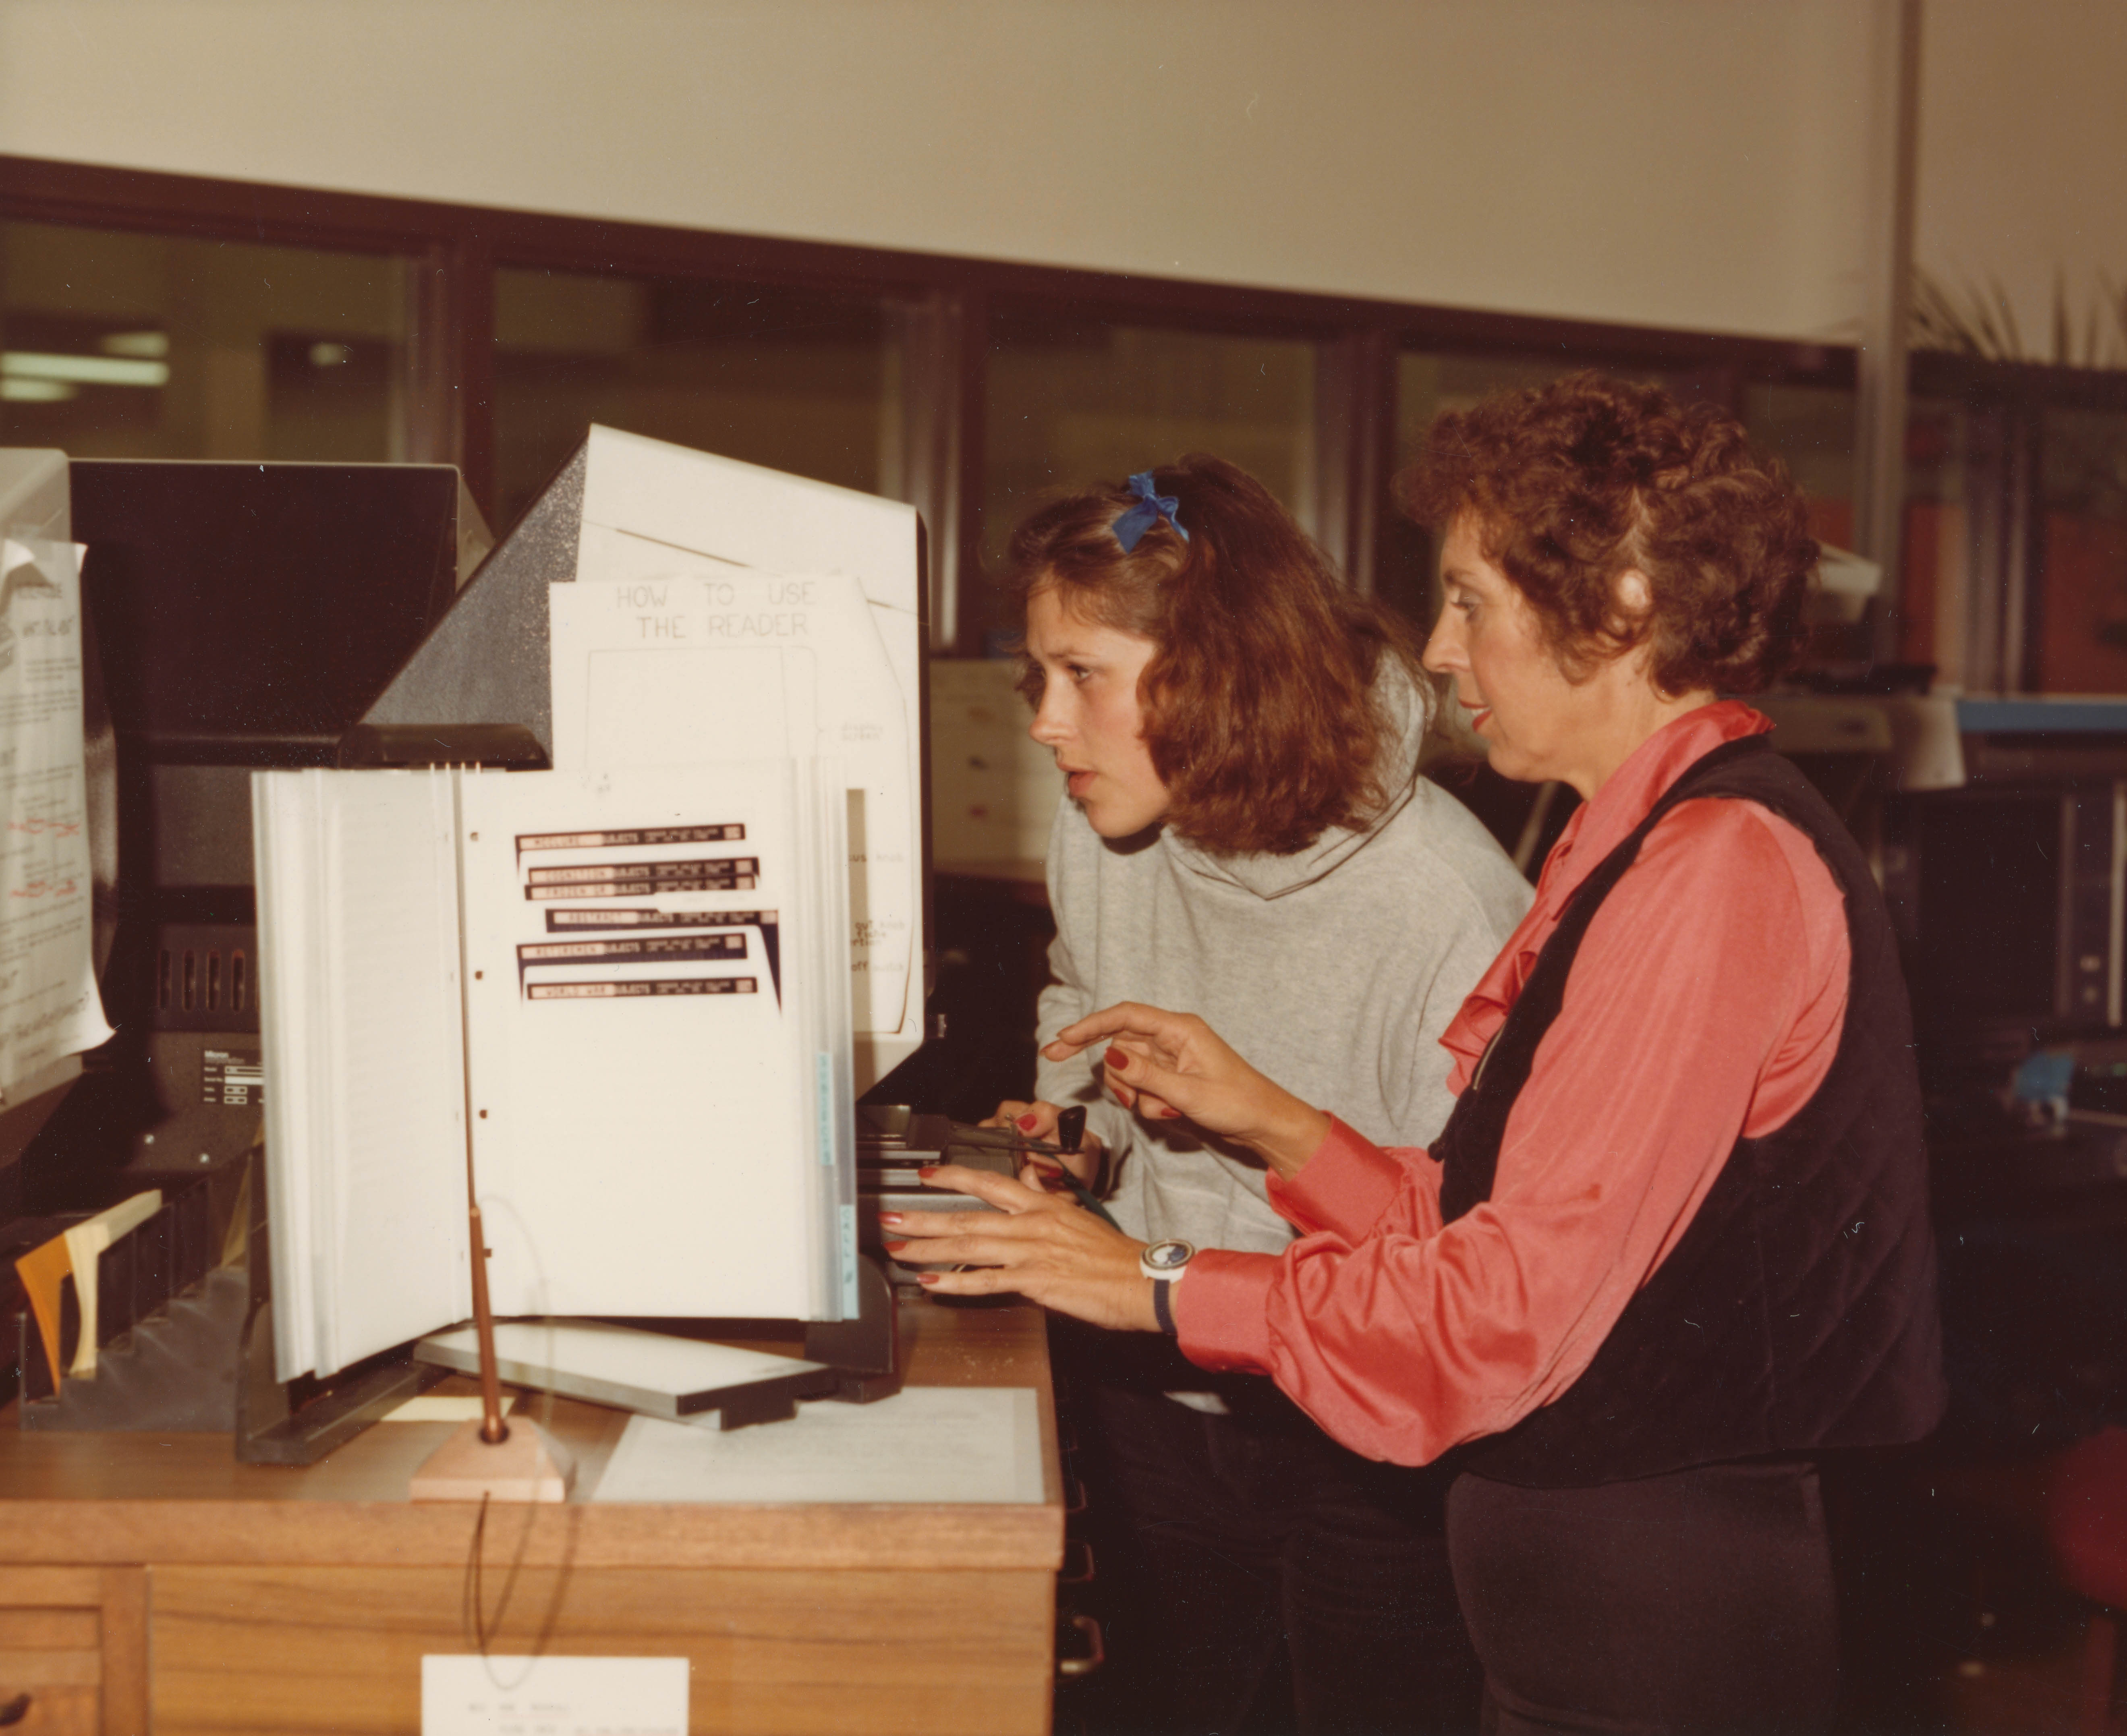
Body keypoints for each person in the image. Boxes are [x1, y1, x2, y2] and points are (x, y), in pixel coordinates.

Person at [884, 375, 1946, 1735]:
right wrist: (1273, 1123)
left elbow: (1498, 1316)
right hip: (1569, 1603)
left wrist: (1149, 1282)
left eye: (1470, 602)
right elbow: (1471, 1217)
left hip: (1654, 1607)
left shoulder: (1715, 869)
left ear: (1620, 609)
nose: (1439, 651)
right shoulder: (1628, 844)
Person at [989, 454, 1531, 1734]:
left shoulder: (1451, 908)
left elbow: (1468, 1263)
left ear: (1217, 679)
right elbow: (1076, 994)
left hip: (1363, 1445)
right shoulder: (1103, 820)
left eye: (1083, 677)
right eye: (1039, 677)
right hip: (1155, 1388)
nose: (1046, 723)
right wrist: (1077, 1130)